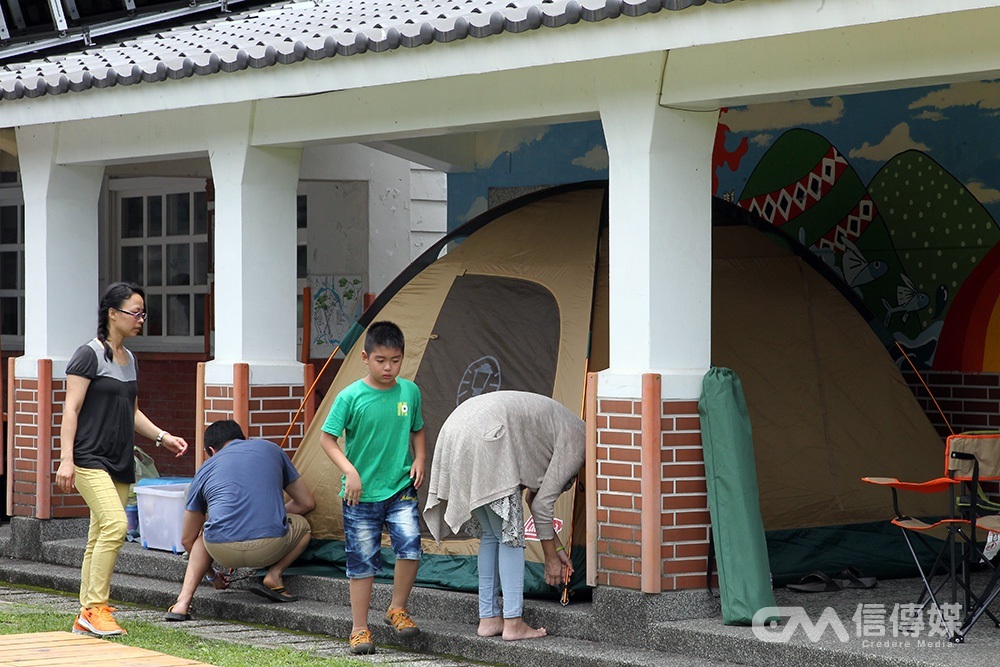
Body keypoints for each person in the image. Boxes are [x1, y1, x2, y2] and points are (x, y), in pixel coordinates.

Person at [56, 281, 190, 637]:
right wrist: (66, 459)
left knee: (99, 534)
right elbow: (71, 409)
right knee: (116, 526)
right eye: (135, 312)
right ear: (113, 314)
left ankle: (86, 613)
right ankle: (96, 607)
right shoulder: (88, 355)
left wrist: (162, 437)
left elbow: (131, 412)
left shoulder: (130, 359)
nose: (141, 319)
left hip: (119, 459)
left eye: (143, 313)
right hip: (88, 457)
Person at [423, 390, 585, 641]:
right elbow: (543, 504)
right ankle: (513, 622)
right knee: (511, 535)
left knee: (491, 534)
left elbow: (533, 499)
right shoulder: (580, 441)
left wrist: (558, 547)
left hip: (457, 428)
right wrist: (551, 559)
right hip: (489, 435)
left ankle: (488, 618)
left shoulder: (564, 424)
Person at [319, 321, 426, 655]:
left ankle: (397, 608)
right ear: (365, 358)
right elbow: (327, 439)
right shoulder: (350, 396)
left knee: (411, 547)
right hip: (360, 494)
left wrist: (420, 458)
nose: (388, 367)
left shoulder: (410, 392)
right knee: (362, 562)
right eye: (381, 360)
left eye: (395, 360)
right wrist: (350, 471)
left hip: (400, 486)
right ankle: (359, 629)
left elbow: (417, 428)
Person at [164, 420, 316, 620]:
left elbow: (186, 540)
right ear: (242, 438)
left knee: (200, 539)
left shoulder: (204, 469)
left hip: (222, 550)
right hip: (269, 547)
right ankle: (274, 575)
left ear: (211, 450)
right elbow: (306, 503)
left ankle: (182, 603)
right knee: (303, 527)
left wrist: (213, 576)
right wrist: (272, 514)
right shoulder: (271, 449)